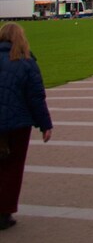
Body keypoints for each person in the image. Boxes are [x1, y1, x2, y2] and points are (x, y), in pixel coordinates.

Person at [0, 23, 53, 231]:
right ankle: (4, 213)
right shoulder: (27, 62)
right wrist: (45, 125)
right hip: (17, 123)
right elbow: (36, 97)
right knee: (13, 168)